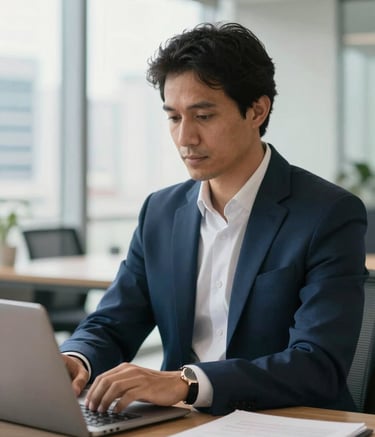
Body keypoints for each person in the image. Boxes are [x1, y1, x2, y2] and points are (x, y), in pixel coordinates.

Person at [60, 22, 368, 416]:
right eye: (173, 117)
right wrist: (76, 359)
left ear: (257, 110)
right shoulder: (161, 211)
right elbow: (113, 323)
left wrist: (186, 383)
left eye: (203, 116)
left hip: (287, 422)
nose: (185, 137)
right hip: (181, 423)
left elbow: (317, 364)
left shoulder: (328, 214)